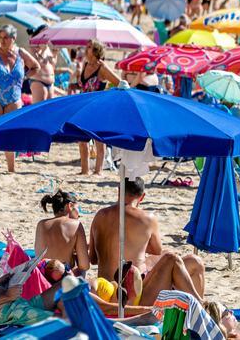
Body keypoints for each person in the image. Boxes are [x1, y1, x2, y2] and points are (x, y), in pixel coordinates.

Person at [89, 178, 205, 306]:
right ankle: (201, 308)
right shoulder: (147, 218)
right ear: (142, 197)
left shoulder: (99, 215)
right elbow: (156, 250)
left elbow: (93, 259)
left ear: (119, 191)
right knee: (194, 262)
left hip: (104, 289)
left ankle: (198, 307)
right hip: (131, 293)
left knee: (155, 258)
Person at [0, 26, 40, 173]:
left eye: (6, 37)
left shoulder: (21, 54)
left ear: (13, 38)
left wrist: (24, 77)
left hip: (14, 97)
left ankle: (11, 169)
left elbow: (36, 66)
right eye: (0, 37)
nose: (2, 41)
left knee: (10, 132)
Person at [74, 40, 121, 175]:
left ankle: (98, 170)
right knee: (82, 140)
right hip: (83, 107)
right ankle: (84, 170)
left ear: (95, 51)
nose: (85, 49)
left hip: (98, 108)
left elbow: (119, 82)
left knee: (98, 140)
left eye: (89, 47)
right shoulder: (85, 64)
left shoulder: (102, 68)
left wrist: (110, 98)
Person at [34, 189, 90, 274]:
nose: (79, 214)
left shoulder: (41, 224)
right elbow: (84, 265)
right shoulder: (76, 225)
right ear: (70, 206)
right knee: (81, 271)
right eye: (78, 208)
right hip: (63, 278)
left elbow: (39, 256)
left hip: (43, 276)